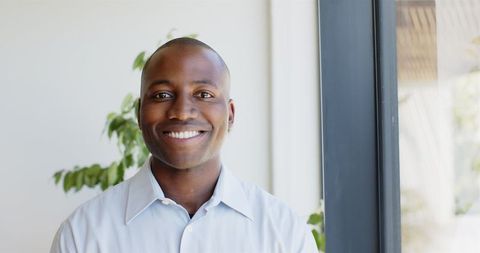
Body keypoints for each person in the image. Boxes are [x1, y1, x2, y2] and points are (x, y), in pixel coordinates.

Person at [50, 38, 317, 253]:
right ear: (139, 114)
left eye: (204, 94)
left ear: (230, 114)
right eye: (162, 95)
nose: (182, 112)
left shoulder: (285, 231)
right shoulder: (82, 233)